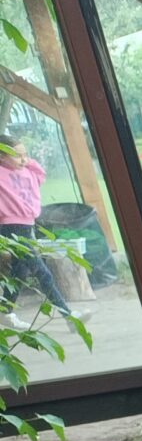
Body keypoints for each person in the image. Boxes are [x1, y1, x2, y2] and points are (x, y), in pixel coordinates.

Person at [0, 130, 72, 324]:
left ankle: (5, 312)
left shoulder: (28, 172)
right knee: (41, 271)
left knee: (20, 271)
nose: (23, 159)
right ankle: (68, 315)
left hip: (27, 224)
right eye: (17, 155)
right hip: (10, 225)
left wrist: (25, 160)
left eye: (25, 154)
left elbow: (40, 174)